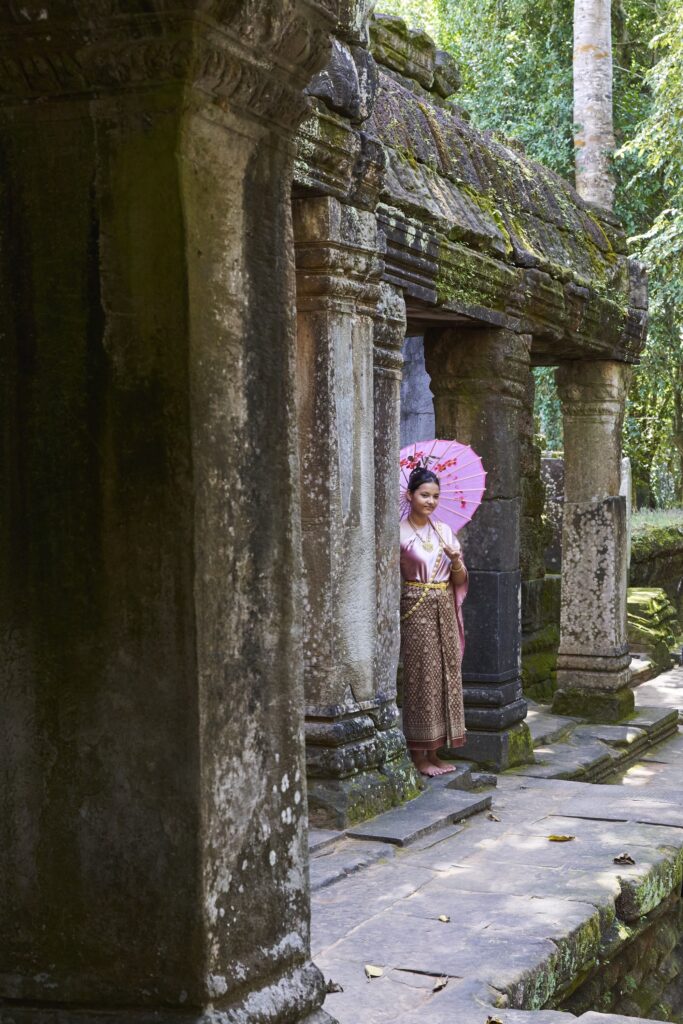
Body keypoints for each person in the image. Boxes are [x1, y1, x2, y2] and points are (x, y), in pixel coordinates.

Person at [399, 466, 468, 777]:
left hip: (443, 607)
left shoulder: (443, 531)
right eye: (424, 495)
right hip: (416, 609)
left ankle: (436, 750)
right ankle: (418, 754)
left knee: (446, 675)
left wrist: (455, 560)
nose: (430, 501)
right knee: (421, 677)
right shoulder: (398, 533)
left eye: (435, 497)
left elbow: (461, 579)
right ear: (410, 495)